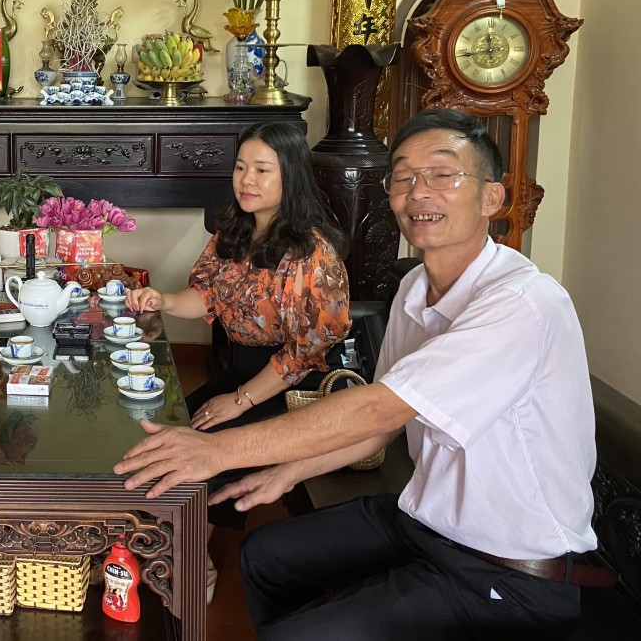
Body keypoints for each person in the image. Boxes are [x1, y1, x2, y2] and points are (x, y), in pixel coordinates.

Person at [114, 109, 600, 639]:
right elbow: (382, 428)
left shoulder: (523, 304)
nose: (419, 192)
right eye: (404, 177)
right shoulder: (415, 289)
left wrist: (217, 450)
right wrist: (290, 471)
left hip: (507, 568)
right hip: (425, 522)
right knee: (264, 554)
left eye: (443, 174)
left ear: (491, 198)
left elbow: (376, 409)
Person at [124, 122, 350, 598]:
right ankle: (157, 537)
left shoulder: (310, 253)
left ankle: (195, 562)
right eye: (241, 167)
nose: (247, 180)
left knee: (202, 449)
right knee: (168, 432)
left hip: (293, 386)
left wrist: (241, 400)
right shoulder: (235, 231)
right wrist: (162, 300)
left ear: (290, 175)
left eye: (263, 170)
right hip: (243, 371)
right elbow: (206, 296)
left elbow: (305, 354)